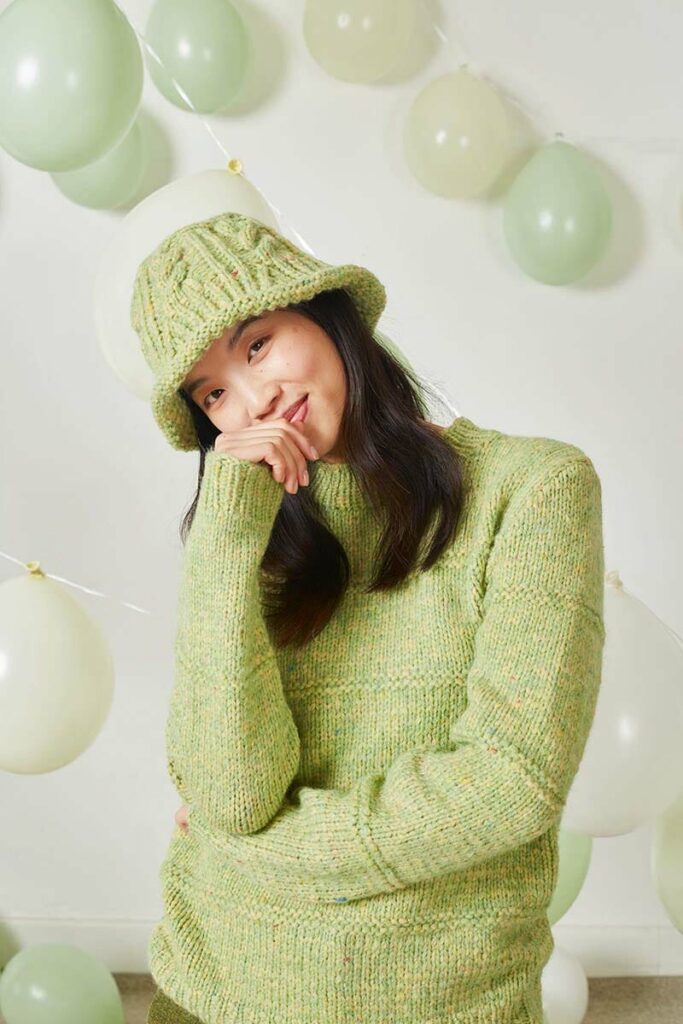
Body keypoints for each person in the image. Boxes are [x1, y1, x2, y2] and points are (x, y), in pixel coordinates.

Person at [130, 211, 605, 1024]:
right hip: (216, 986)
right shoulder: (248, 537)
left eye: (257, 345)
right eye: (213, 394)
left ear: (327, 315)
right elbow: (232, 798)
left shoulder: (532, 489)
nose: (253, 400)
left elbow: (510, 784)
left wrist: (266, 854)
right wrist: (223, 544)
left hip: (441, 1000)